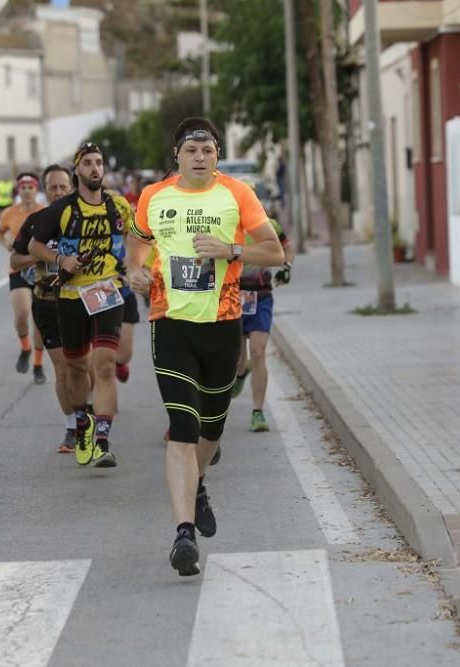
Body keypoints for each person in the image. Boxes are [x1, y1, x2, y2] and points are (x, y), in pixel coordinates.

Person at [125, 118, 284, 576]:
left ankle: (198, 485)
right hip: (170, 324)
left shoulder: (238, 194)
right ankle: (183, 534)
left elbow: (274, 252)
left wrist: (231, 250)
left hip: (223, 326)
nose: (200, 157)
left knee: (210, 434)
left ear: (216, 156)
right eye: (192, 150)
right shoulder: (154, 196)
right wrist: (135, 270)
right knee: (182, 426)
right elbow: (136, 243)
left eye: (208, 151)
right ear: (177, 155)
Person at [29, 143, 133, 469]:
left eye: (99, 163)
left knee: (103, 365)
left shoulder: (118, 206)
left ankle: (102, 439)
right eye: (87, 163)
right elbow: (34, 245)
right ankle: (82, 422)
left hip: (106, 291)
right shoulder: (61, 209)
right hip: (71, 296)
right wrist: (62, 259)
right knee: (76, 368)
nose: (94, 169)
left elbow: (138, 237)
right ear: (77, 169)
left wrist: (134, 267)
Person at [9, 164, 78, 453]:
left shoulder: (82, 220)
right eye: (53, 187)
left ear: (71, 188)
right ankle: (72, 428)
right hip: (47, 302)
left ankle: (94, 420)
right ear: (45, 190)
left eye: (63, 187)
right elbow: (15, 259)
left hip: (81, 302)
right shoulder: (36, 221)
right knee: (62, 368)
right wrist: (39, 258)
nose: (59, 192)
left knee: (84, 366)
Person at [231, 216, 294, 432]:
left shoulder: (269, 225)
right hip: (233, 296)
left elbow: (287, 247)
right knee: (237, 357)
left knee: (258, 352)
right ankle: (240, 371)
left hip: (261, 296)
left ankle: (257, 411)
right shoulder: (226, 222)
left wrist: (287, 267)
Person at [0, 173, 47, 383]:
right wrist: (6, 243)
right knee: (22, 314)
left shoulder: (45, 212)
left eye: (30, 187)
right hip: (18, 269)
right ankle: (25, 347)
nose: (26, 190)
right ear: (18, 190)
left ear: (36, 190)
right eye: (23, 187)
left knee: (40, 320)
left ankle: (37, 364)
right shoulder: (10, 213)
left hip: (42, 269)